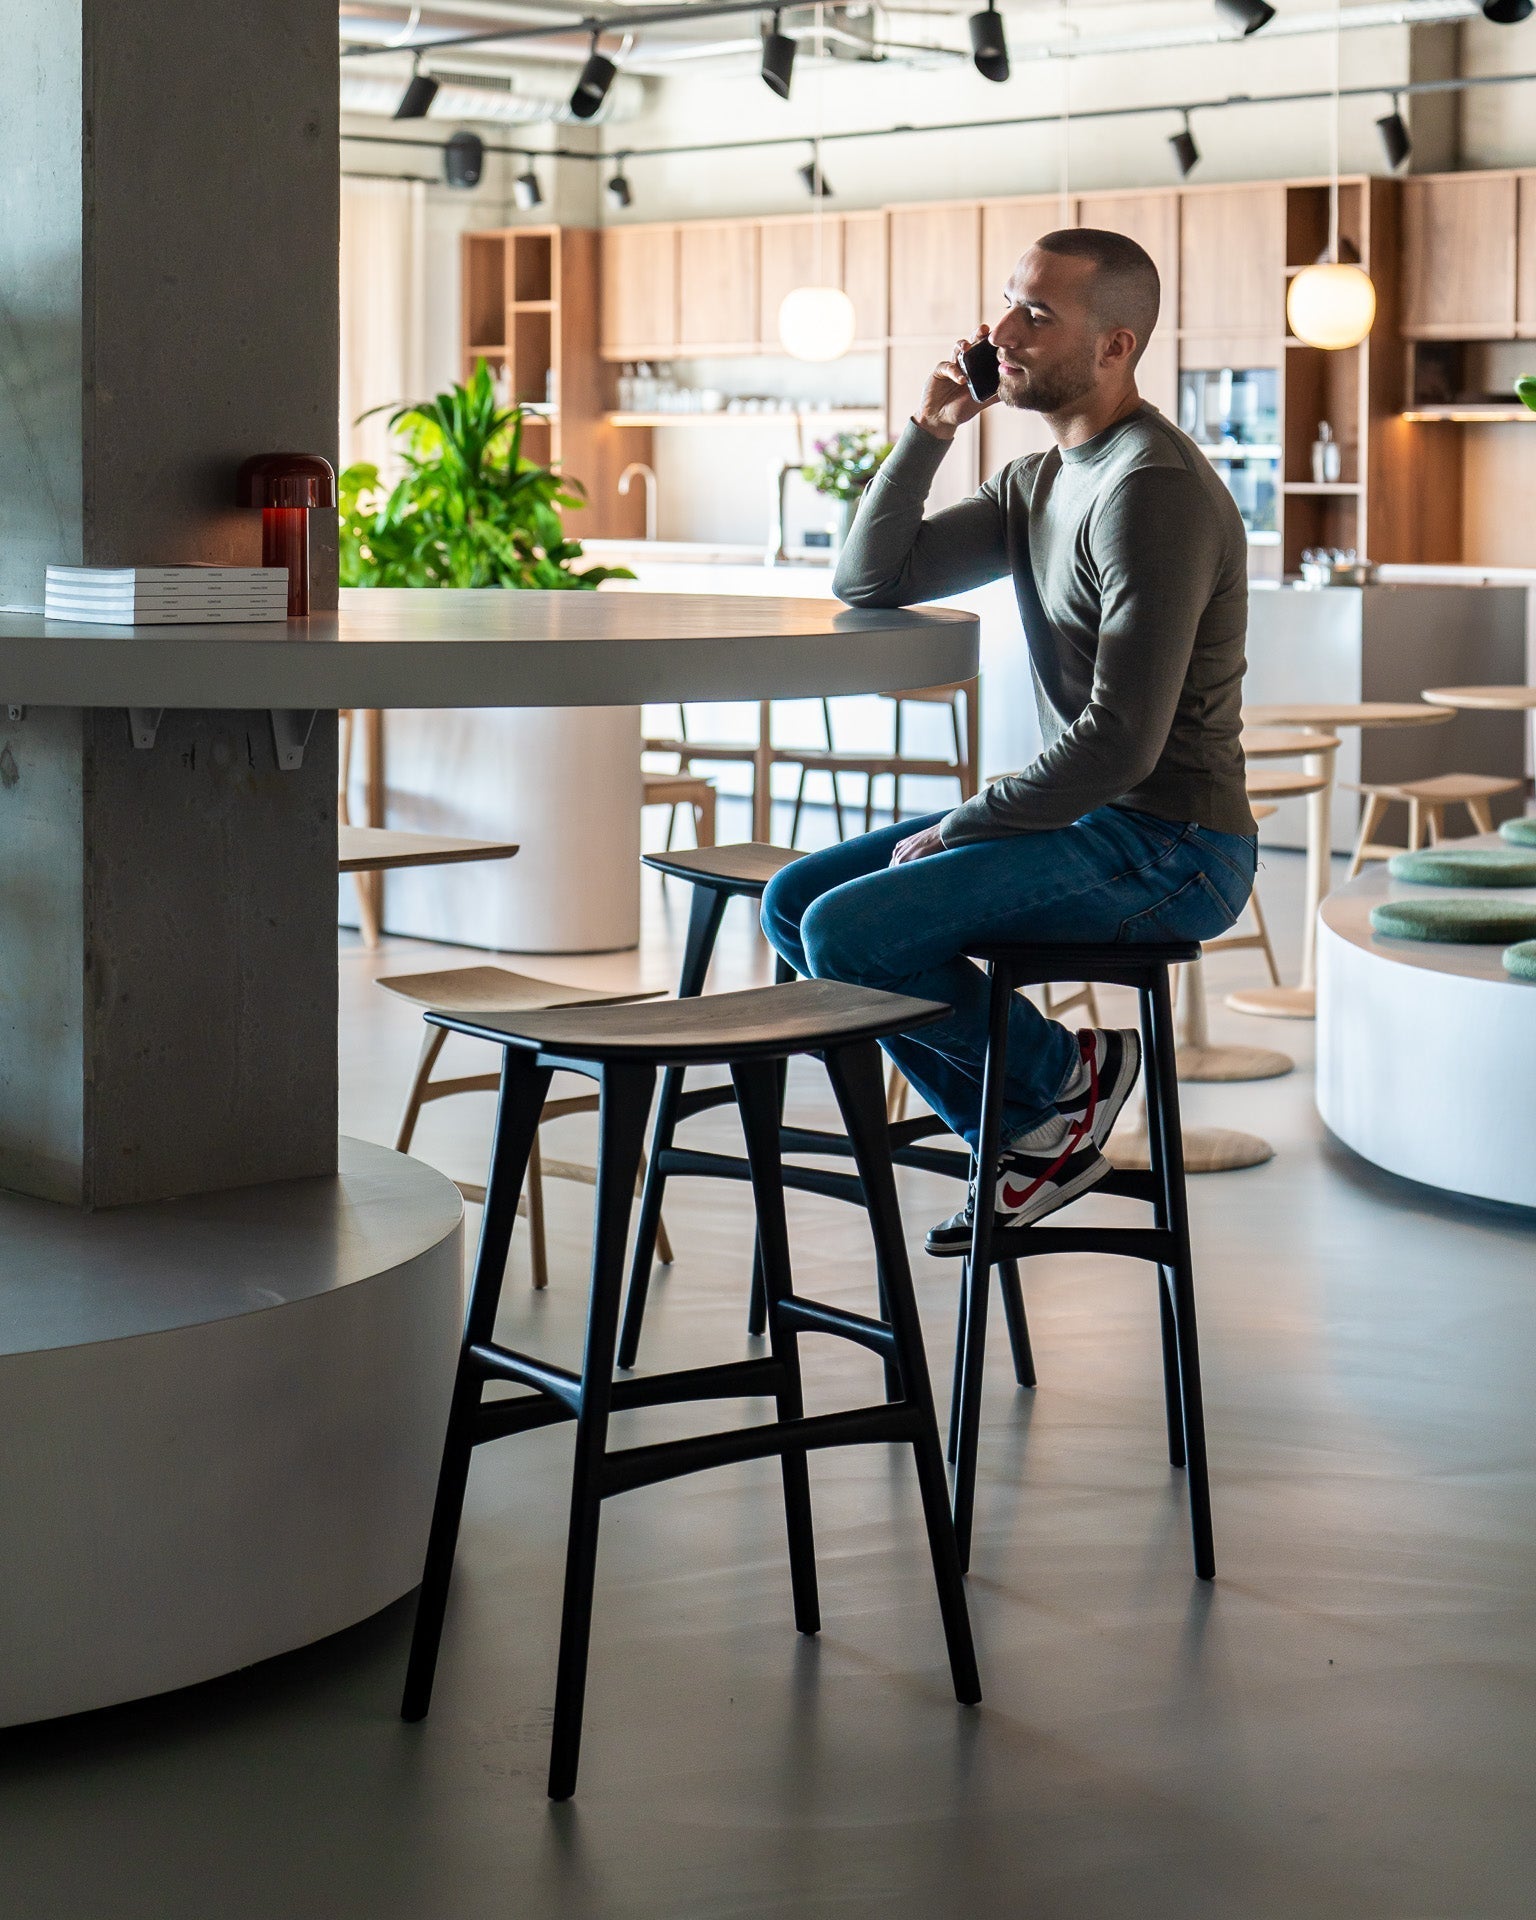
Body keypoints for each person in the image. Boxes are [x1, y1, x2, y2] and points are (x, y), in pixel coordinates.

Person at [761, 227, 1258, 1254]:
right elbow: (870, 578)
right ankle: (1037, 1127)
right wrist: (932, 428)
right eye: (1004, 304)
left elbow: (1122, 742)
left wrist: (961, 827)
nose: (1001, 333)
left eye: (1038, 315)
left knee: (851, 936)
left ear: (1116, 345)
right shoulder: (1040, 482)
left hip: (1172, 845)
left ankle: (1059, 1086)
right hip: (1092, 826)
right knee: (794, 903)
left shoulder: (1148, 492)